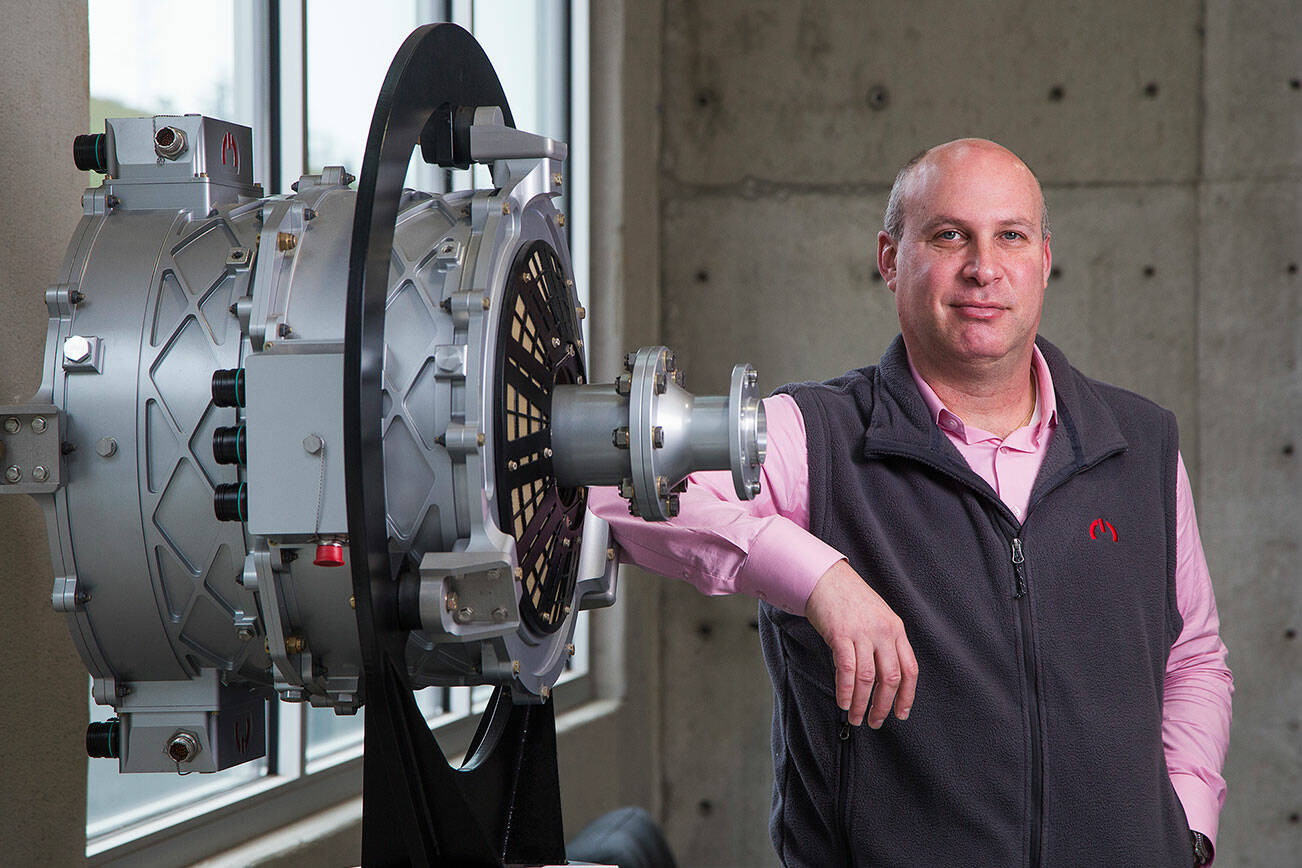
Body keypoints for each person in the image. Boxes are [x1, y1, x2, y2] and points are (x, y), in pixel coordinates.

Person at [588, 138, 1232, 866]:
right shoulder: (814, 436)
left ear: (1043, 261)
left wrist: (1188, 824)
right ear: (891, 259)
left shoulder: (1139, 442)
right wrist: (814, 573)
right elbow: (611, 484)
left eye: (1010, 237)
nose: (983, 269)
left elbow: (1194, 656)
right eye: (949, 234)